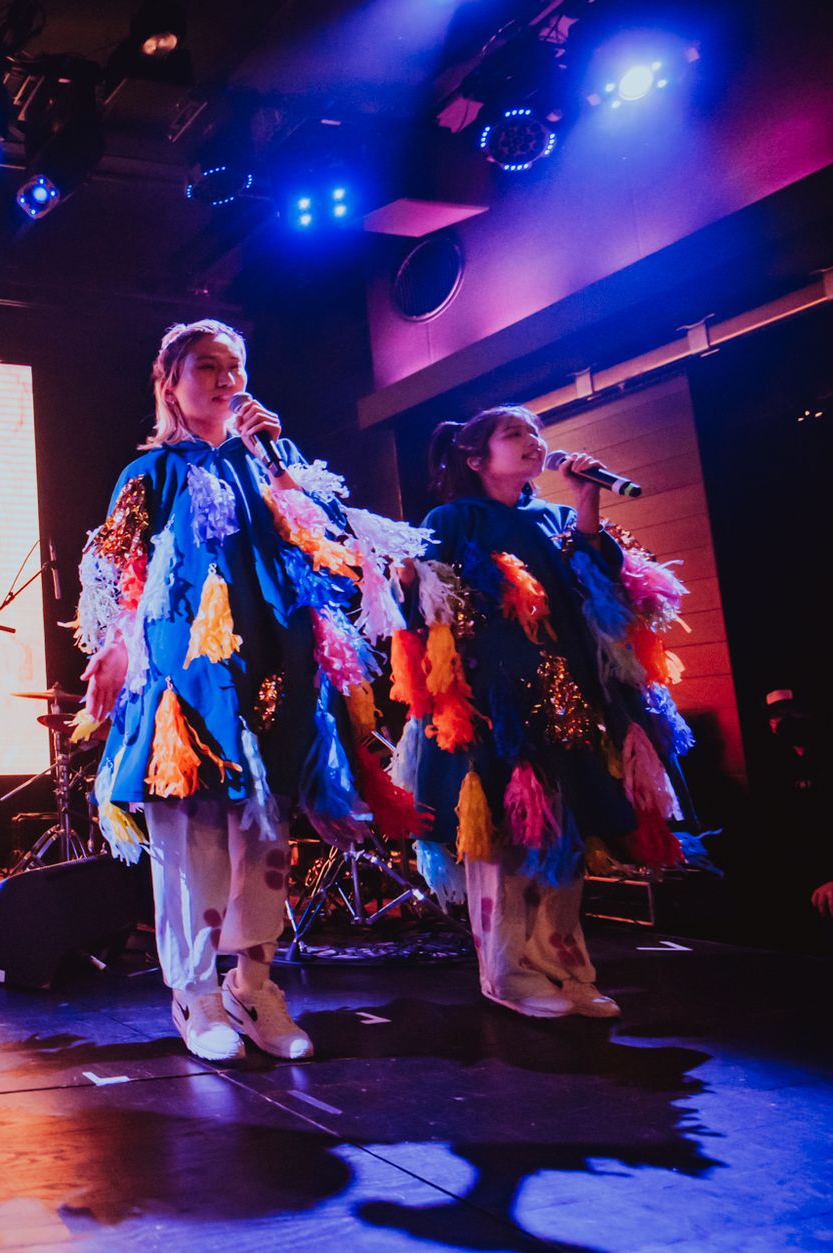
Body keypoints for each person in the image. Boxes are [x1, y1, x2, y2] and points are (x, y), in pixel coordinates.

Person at [75, 320, 427, 1061]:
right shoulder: (152, 472)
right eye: (208, 366)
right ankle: (196, 993)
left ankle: (254, 986)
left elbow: (328, 549)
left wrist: (277, 463)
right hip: (188, 672)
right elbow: (112, 567)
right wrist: (113, 646)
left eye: (235, 366)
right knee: (195, 836)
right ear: (171, 382)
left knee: (266, 832)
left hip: (275, 659)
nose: (227, 379)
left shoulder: (275, 458)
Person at [397, 406, 694, 1018]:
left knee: (567, 835)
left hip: (568, 695)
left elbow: (605, 589)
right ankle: (507, 976)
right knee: (506, 841)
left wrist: (587, 503)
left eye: (536, 432)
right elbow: (422, 606)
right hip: (492, 702)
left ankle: (568, 968)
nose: (533, 441)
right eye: (515, 434)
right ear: (476, 458)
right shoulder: (452, 519)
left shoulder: (558, 518)